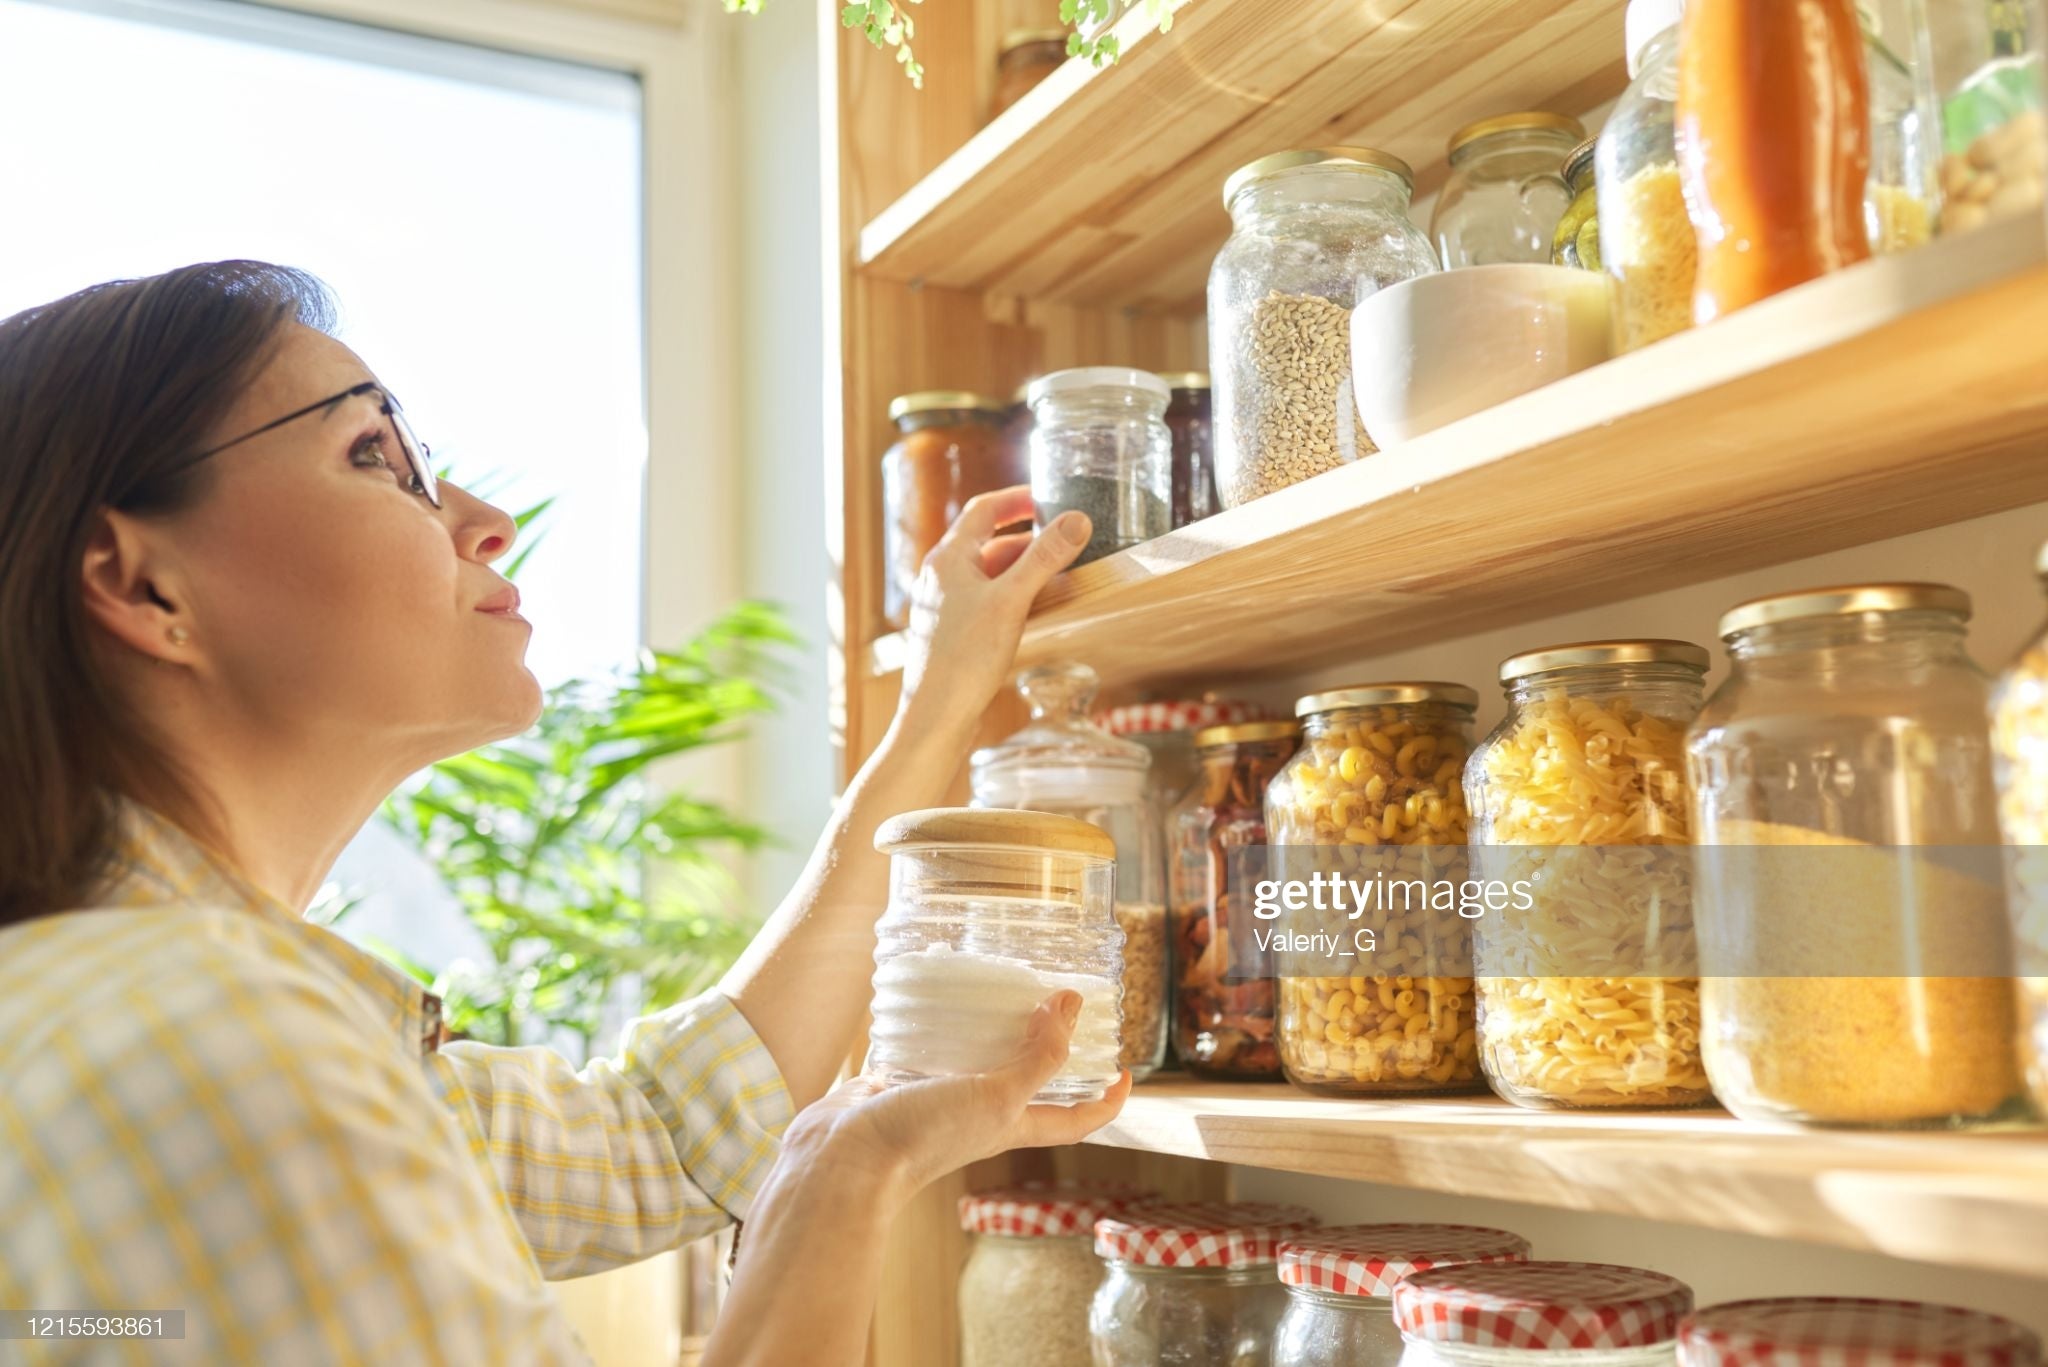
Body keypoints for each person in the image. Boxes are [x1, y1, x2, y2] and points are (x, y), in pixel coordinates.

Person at [0, 260, 1128, 1364]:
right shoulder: (209, 1048)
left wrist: (935, 699)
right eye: (374, 456)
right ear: (142, 583)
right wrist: (842, 1179)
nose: (485, 521)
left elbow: (661, 1135)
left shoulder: (154, 1009)